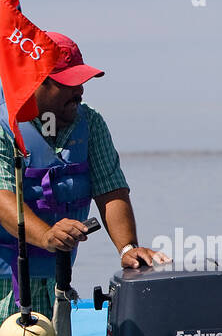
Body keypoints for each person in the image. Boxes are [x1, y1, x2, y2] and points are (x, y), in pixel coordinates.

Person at [0, 31, 167, 320]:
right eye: (68, 83)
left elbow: (111, 190)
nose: (80, 90)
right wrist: (48, 236)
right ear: (36, 81)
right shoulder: (5, 127)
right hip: (7, 281)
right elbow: (3, 197)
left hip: (57, 281)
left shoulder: (91, 124)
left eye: (82, 81)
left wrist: (127, 248)